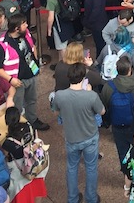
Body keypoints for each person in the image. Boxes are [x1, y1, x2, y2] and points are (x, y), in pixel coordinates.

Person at [51, 62, 105, 203]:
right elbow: (102, 111)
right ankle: (92, 198)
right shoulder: (91, 96)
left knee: (72, 167)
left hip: (71, 138)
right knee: (91, 168)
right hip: (90, 137)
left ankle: (73, 198)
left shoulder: (60, 95)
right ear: (83, 77)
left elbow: (56, 111)